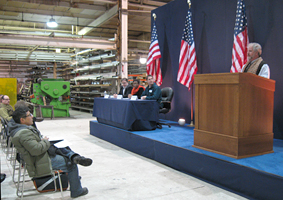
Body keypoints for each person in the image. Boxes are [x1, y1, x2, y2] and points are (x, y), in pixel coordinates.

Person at [9, 107, 92, 198]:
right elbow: (36, 150)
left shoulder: (19, 129)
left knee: (59, 145)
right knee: (71, 164)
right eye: (29, 115)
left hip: (37, 157)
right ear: (22, 120)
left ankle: (74, 159)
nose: (32, 117)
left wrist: (43, 141)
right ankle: (77, 190)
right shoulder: (24, 133)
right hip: (38, 162)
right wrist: (44, 141)